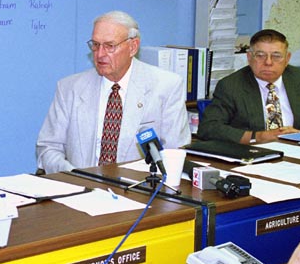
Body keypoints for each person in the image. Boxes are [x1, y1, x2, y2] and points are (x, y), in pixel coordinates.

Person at [36, 10, 191, 174]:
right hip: (82, 189)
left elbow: (174, 154)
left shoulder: (166, 87)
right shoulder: (69, 88)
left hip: (137, 191)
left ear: (132, 47)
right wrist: (74, 175)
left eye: (109, 46)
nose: (100, 54)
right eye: (95, 45)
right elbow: (48, 148)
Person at [197, 29, 300, 145]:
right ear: (249, 57)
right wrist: (258, 137)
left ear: (287, 59)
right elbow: (208, 128)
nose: (268, 62)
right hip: (252, 153)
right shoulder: (231, 86)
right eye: (260, 55)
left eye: (276, 56)